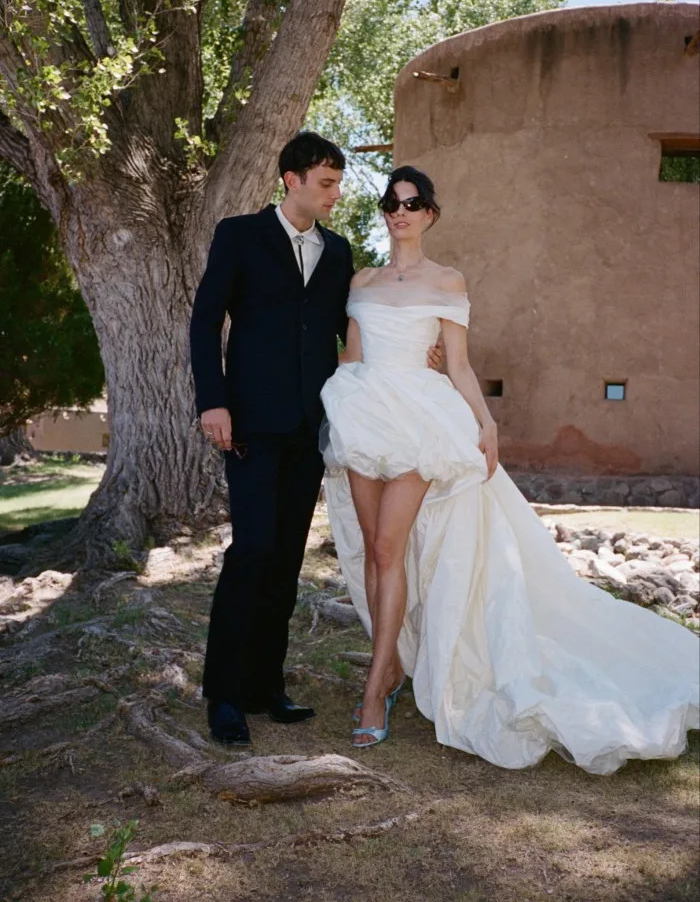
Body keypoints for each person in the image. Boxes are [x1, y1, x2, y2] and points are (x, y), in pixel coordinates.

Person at [320, 165, 699, 773]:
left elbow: (461, 366)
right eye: (392, 202)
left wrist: (486, 424)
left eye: (412, 203)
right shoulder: (362, 279)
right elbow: (354, 357)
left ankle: (373, 692)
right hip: (364, 414)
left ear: (430, 214)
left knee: (391, 550)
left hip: (422, 421)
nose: (400, 212)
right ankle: (388, 665)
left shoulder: (448, 280)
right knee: (371, 545)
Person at [189, 133, 443, 746]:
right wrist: (213, 401)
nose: (336, 194)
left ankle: (264, 687)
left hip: (312, 428)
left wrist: (419, 351)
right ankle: (223, 695)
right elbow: (205, 319)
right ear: (292, 180)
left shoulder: (337, 252)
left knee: (284, 559)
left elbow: (347, 331)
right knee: (250, 552)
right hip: (248, 422)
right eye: (326, 183)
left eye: (337, 182)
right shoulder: (239, 235)